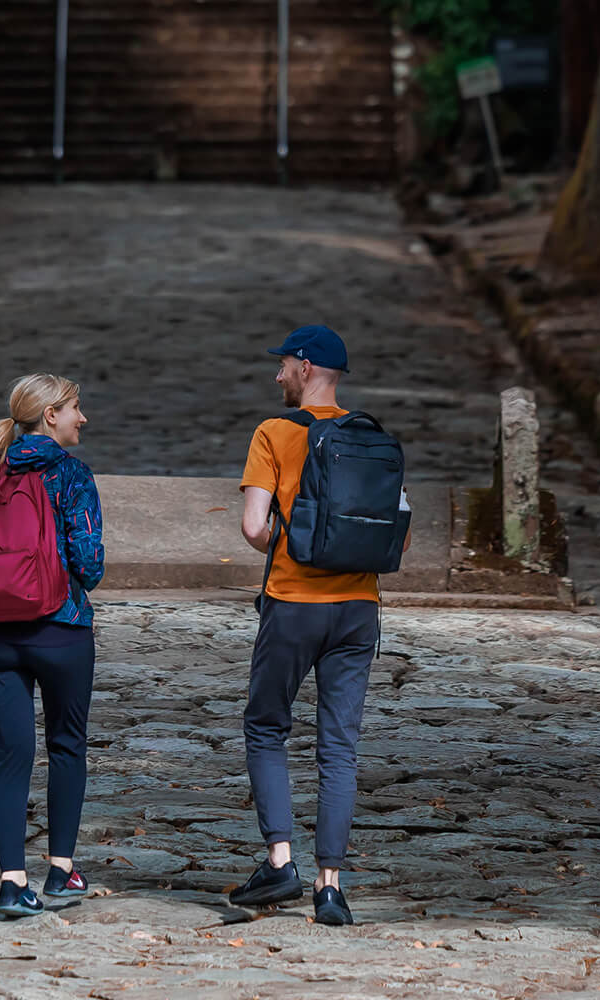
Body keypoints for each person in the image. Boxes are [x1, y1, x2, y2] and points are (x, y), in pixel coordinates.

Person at [230, 324, 404, 927]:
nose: (277, 374)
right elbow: (392, 526)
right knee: (339, 745)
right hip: (358, 608)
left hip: (293, 602)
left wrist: (289, 543)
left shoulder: (274, 432)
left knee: (265, 726)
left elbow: (254, 527)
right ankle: (331, 886)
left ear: (305, 368)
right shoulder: (369, 436)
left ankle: (280, 862)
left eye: (283, 364)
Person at [0, 373, 105, 918]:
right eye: (75, 407)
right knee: (67, 746)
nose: (83, 418)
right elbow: (89, 564)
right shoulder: (72, 474)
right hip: (61, 631)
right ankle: (61, 870)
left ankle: (12, 882)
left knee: (9, 757)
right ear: (51, 415)